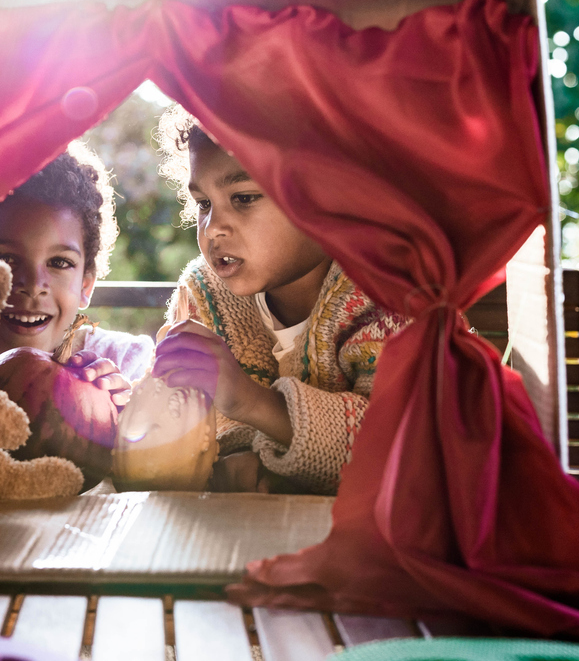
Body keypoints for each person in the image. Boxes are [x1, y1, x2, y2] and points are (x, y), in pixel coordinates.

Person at [153, 107, 409, 494]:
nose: (213, 228)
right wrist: (234, 456)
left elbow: (398, 450)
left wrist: (250, 403)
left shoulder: (387, 296)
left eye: (243, 197)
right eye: (204, 204)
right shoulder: (203, 296)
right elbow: (189, 426)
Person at [0, 141, 152, 408]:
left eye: (59, 262)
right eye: (5, 259)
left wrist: (126, 418)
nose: (33, 285)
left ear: (86, 286)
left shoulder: (125, 365)